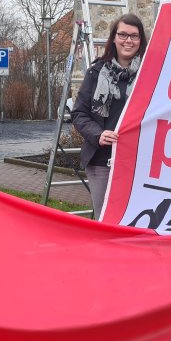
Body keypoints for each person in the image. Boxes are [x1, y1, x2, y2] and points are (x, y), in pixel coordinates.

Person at [71, 13, 147, 218]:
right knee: (105, 218)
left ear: (141, 41)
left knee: (135, 219)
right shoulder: (95, 72)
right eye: (123, 34)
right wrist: (98, 134)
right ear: (114, 38)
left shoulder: (150, 75)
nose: (128, 41)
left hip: (138, 160)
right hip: (101, 159)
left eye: (134, 36)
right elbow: (79, 113)